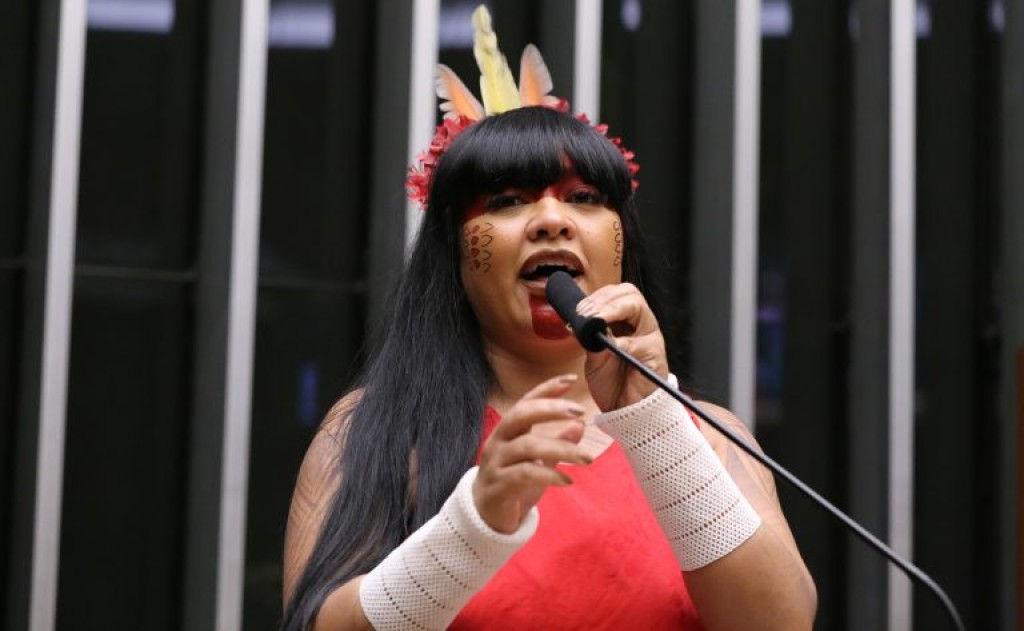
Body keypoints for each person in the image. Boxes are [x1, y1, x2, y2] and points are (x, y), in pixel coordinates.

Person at [281, 6, 816, 630]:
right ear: (454, 253)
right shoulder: (379, 429)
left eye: (584, 198)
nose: (552, 220)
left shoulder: (711, 434)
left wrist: (655, 423)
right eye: (507, 200)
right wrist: (475, 525)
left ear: (622, 242)